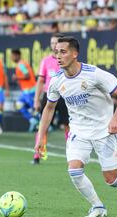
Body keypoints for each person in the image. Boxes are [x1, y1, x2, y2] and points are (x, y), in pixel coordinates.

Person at [35, 37, 117, 217]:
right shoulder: (56, 81)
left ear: (74, 54)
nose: (58, 56)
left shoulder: (94, 74)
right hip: (78, 131)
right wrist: (40, 137)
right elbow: (49, 108)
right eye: (56, 52)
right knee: (74, 170)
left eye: (63, 51)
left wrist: (115, 119)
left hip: (103, 131)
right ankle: (98, 206)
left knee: (112, 180)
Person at [33, 33, 69, 164]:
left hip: (64, 96)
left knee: (68, 126)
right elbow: (40, 81)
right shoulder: (45, 61)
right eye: (52, 43)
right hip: (49, 96)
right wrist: (36, 99)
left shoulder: (67, 60)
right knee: (43, 126)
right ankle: (38, 155)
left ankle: (71, 154)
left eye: (56, 43)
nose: (54, 45)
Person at [11, 49, 39, 131]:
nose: (12, 58)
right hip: (26, 91)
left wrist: (16, 77)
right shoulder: (21, 64)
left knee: (34, 108)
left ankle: (44, 124)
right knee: (19, 104)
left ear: (17, 55)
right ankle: (32, 120)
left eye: (13, 56)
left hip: (30, 90)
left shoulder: (21, 64)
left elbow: (27, 76)